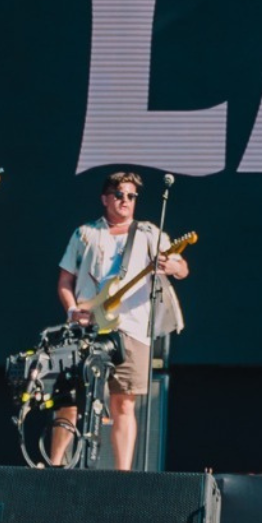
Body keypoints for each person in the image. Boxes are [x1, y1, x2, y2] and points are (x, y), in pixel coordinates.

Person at [52, 171, 189, 470]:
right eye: (119, 194)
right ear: (105, 198)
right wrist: (72, 309)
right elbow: (65, 279)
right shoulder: (85, 233)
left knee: (124, 402)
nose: (125, 200)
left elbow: (182, 267)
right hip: (87, 326)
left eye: (131, 196)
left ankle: (122, 475)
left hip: (131, 328)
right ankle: (55, 465)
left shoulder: (149, 233)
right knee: (71, 401)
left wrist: (172, 265)